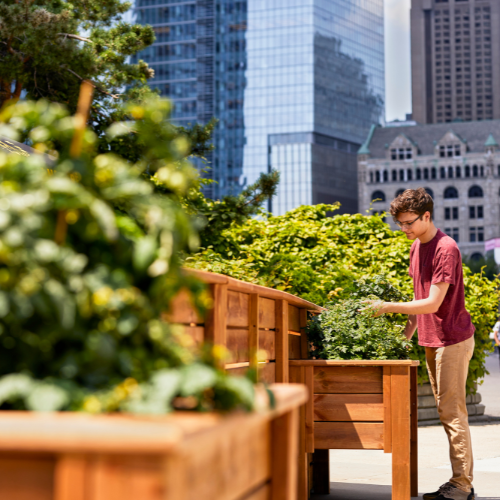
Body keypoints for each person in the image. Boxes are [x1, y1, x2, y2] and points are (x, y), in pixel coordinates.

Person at [362, 188, 475, 500]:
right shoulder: (416, 247)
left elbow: (433, 302)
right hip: (431, 339)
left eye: (410, 222)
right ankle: (458, 481)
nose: (405, 228)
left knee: (452, 413)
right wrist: (403, 339)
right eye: (400, 224)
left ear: (427, 215)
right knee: (445, 411)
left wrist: (386, 306)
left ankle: (462, 485)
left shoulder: (445, 249)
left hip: (452, 339)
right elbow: (418, 296)